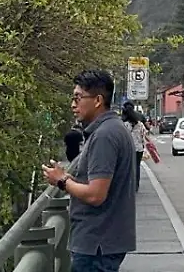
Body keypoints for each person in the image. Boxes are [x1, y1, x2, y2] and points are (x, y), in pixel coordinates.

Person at [42, 69, 137, 272]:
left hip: (97, 244)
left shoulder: (104, 135)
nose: (73, 105)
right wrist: (69, 178)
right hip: (103, 241)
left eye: (78, 98)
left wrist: (62, 181)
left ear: (97, 100)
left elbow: (96, 195)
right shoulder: (112, 128)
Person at [121, 102, 148, 192]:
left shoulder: (124, 125)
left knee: (128, 167)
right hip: (139, 148)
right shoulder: (139, 124)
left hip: (127, 148)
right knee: (137, 166)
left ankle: (129, 184)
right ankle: (136, 184)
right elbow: (144, 134)